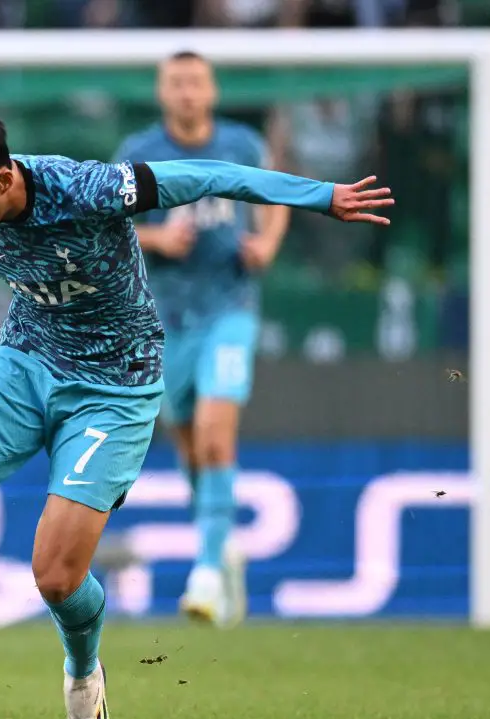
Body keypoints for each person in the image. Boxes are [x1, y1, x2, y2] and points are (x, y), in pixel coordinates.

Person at [0, 110, 392, 719]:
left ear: (4, 178)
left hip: (114, 388)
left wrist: (322, 196)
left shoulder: (89, 188)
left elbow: (210, 175)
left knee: (57, 576)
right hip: (24, 363)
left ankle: (83, 672)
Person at [112, 51, 288, 628]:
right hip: (163, 319)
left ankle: (207, 569)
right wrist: (158, 240)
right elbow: (106, 224)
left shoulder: (240, 144)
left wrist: (266, 244)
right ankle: (221, 545)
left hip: (229, 309)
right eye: (176, 83)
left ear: (211, 90)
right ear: (163, 93)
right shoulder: (139, 154)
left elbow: (277, 195)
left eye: (196, 82)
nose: (187, 92)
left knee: (216, 431)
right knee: (190, 444)